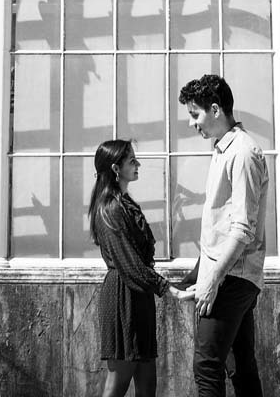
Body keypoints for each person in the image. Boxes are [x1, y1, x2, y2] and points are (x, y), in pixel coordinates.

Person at [178, 73, 269, 397]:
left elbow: (242, 228)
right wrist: (198, 273)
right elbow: (220, 225)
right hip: (231, 275)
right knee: (240, 366)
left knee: (207, 366)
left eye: (195, 114)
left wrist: (212, 280)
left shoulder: (242, 153)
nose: (192, 123)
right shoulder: (224, 150)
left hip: (231, 278)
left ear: (215, 109)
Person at [88, 139, 193, 397]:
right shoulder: (110, 208)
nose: (138, 164)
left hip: (138, 296)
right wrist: (171, 290)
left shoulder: (124, 203)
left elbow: (139, 260)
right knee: (118, 382)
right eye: (132, 160)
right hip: (123, 296)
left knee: (147, 383)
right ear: (116, 169)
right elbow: (130, 263)